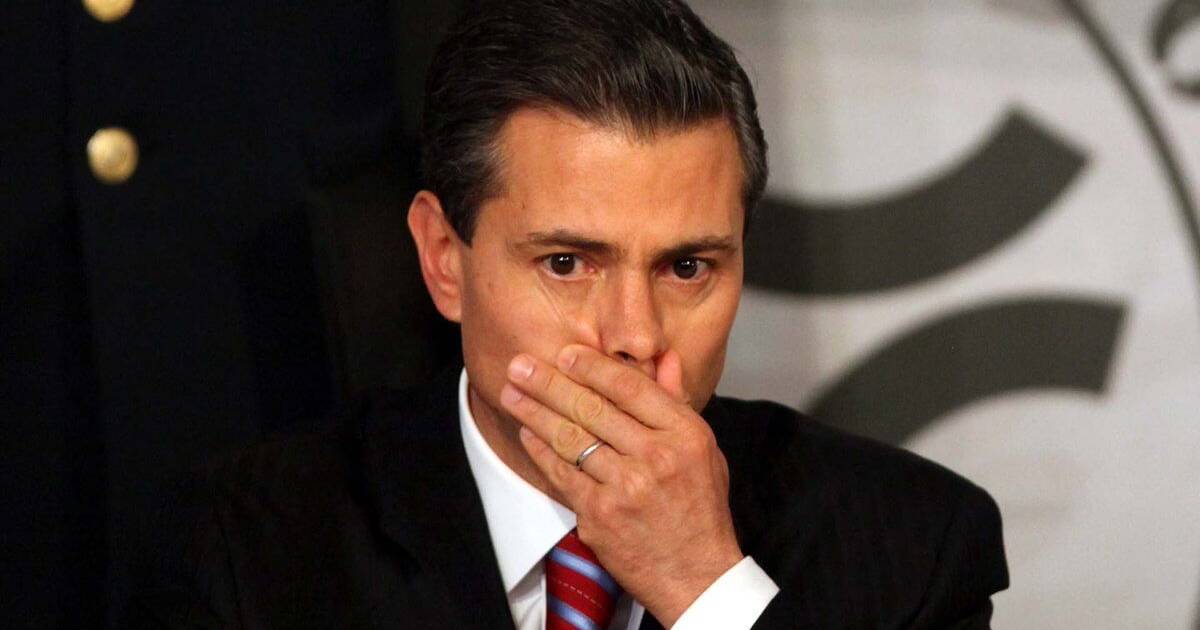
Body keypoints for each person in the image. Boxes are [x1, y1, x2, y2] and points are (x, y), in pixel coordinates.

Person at [131, 0, 1008, 627]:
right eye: (566, 264)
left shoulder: (917, 546)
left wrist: (706, 591)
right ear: (444, 259)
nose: (634, 337)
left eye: (688, 267)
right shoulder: (244, 549)